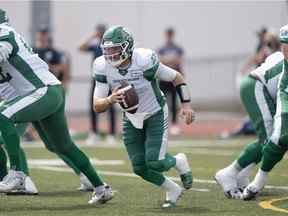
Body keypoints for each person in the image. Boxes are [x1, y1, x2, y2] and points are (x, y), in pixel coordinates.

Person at [0, 9, 112, 204]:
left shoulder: (4, 33)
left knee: (3, 116)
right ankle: (101, 187)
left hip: (42, 91)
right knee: (60, 145)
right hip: (46, 92)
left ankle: (17, 173)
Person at [93, 26, 194, 208]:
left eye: (115, 48)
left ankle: (179, 161)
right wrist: (110, 99)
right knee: (139, 167)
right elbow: (97, 105)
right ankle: (173, 189)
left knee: (156, 162)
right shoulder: (102, 66)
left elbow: (177, 77)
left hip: (155, 112)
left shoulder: (144, 60)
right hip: (131, 117)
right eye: (107, 49)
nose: (111, 53)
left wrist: (185, 105)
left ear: (127, 46)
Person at [215, 27, 284, 200]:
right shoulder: (279, 57)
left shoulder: (276, 55)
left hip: (257, 85)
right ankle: (229, 173)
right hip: (257, 86)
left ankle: (242, 173)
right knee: (271, 140)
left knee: (272, 137)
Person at [79, 24, 116, 144]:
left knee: (111, 105)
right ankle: (94, 133)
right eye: (98, 31)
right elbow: (81, 47)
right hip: (96, 78)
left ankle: (111, 134)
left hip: (110, 78)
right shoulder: (95, 46)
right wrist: (92, 36)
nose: (100, 33)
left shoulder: (110, 46)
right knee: (94, 105)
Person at [158, 27, 184, 135]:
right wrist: (170, 60)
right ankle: (161, 124)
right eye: (167, 34)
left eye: (170, 34)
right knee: (161, 102)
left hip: (174, 78)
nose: (169, 36)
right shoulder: (161, 48)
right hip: (163, 79)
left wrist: (167, 61)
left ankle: (174, 125)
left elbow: (178, 60)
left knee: (174, 102)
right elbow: (160, 61)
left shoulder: (177, 48)